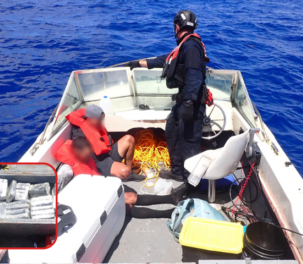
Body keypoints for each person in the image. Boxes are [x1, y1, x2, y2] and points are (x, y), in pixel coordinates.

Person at [127, 10, 209, 194]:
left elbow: (195, 77)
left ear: (177, 27)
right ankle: (178, 171)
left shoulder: (191, 48)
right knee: (172, 130)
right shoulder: (184, 47)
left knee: (190, 144)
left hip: (192, 105)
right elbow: (166, 60)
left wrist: (188, 104)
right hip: (184, 103)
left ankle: (192, 185)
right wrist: (139, 63)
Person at [56, 136, 181, 218]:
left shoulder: (87, 158)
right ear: (76, 152)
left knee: (131, 196)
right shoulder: (66, 171)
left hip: (99, 188)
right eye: (86, 155)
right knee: (129, 203)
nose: (90, 158)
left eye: (90, 154)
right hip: (88, 200)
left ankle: (170, 198)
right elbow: (63, 197)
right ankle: (167, 213)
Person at [66, 105, 144, 181]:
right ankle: (123, 173)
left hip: (108, 152)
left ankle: (129, 173)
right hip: (100, 161)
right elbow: (79, 149)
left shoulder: (98, 126)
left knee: (129, 139)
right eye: (99, 119)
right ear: (90, 118)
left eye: (102, 118)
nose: (101, 121)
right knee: (124, 171)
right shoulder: (79, 132)